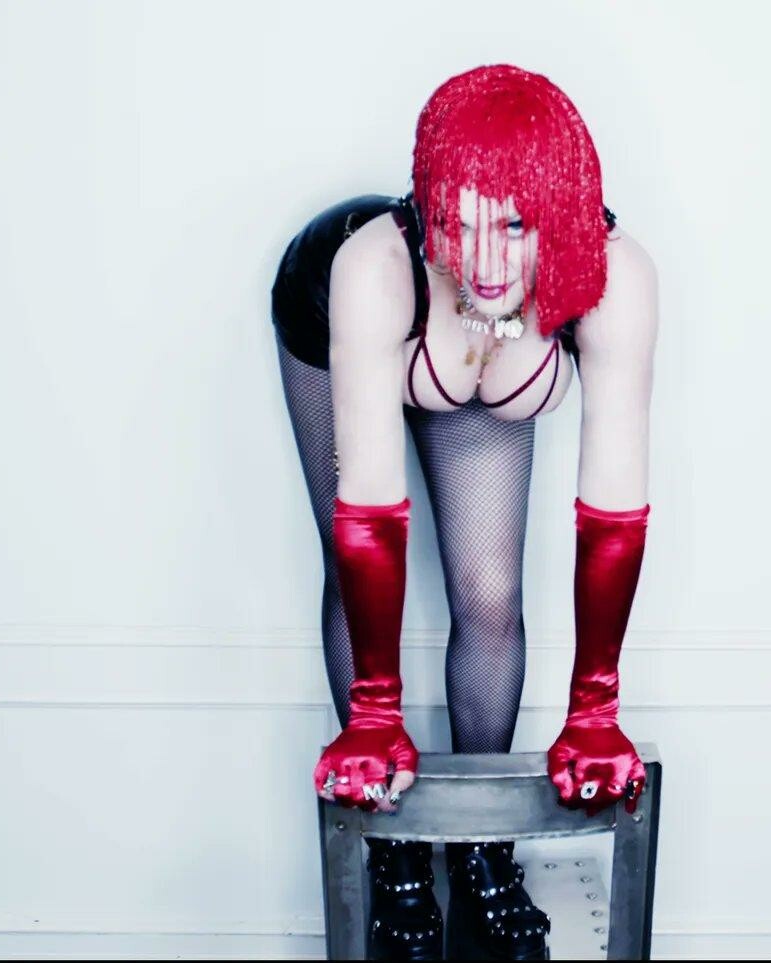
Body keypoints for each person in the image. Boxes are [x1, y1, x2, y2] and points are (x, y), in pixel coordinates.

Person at [270, 63, 657, 961]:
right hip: (342, 324)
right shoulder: (374, 268)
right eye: (462, 221)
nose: (483, 261)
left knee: (488, 593)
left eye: (515, 226)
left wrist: (594, 708)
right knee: (352, 570)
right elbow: (372, 511)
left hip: (482, 346)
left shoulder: (617, 278)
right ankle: (395, 851)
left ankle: (485, 851)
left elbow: (615, 509)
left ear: (560, 215)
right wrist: (376, 716)